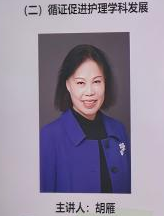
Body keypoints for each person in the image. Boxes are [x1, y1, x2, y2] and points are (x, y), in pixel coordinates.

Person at [39, 44, 131, 193]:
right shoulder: (48, 137)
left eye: (97, 81)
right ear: (68, 85)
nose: (89, 92)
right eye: (81, 83)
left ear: (105, 82)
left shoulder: (119, 130)